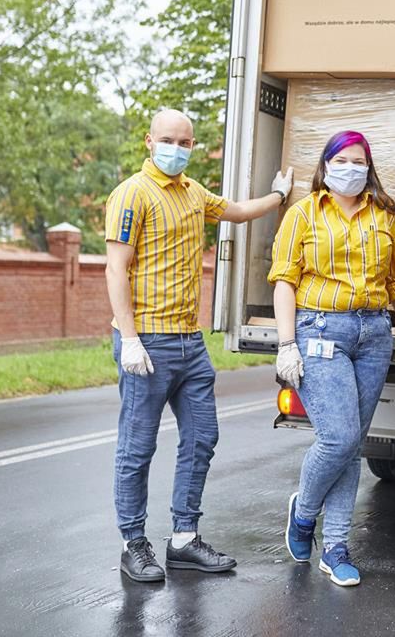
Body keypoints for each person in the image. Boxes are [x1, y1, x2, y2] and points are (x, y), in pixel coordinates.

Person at [105, 108, 293, 583]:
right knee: (137, 447)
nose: (177, 148)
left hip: (190, 342)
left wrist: (278, 195)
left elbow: (237, 211)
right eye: (168, 139)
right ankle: (134, 544)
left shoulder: (193, 193)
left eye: (185, 142)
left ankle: (184, 539)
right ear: (149, 141)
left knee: (202, 437)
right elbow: (115, 269)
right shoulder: (131, 194)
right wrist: (129, 338)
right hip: (146, 342)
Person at [269, 130, 395, 587]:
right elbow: (284, 280)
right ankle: (304, 514)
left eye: (359, 160)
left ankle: (337, 546)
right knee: (339, 438)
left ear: (370, 166)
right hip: (320, 329)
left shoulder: (384, 213)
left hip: (375, 333)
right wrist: (287, 344)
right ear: (325, 166)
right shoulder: (303, 214)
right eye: (341, 160)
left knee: (354, 444)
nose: (351, 167)